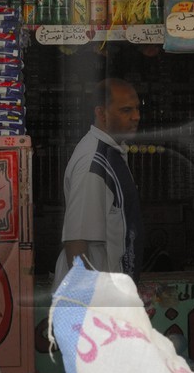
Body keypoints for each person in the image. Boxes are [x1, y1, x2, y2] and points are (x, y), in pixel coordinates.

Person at [54, 77, 144, 283]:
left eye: (137, 109)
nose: (136, 116)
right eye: (126, 110)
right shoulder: (93, 163)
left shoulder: (111, 153)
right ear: (101, 113)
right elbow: (76, 241)